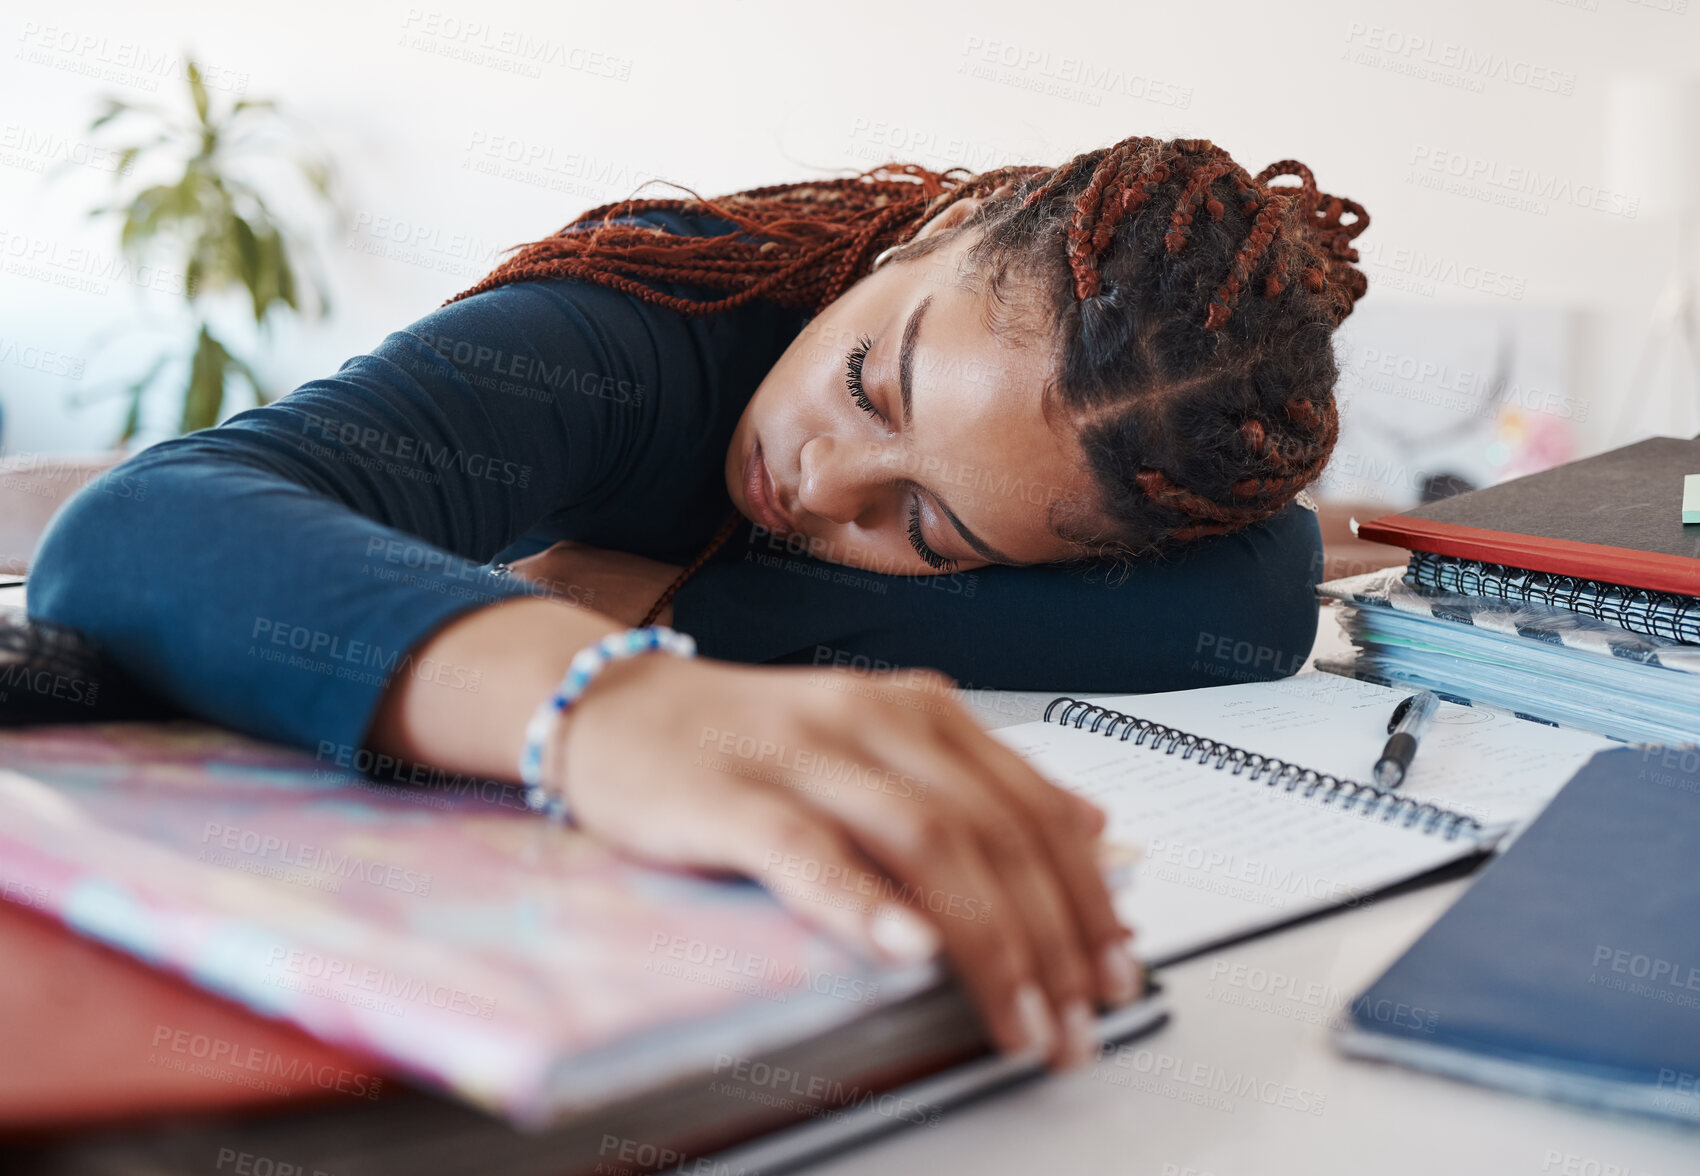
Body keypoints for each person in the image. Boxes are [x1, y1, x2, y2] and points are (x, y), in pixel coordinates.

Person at [26, 135, 1368, 1073]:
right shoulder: (631, 329)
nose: (820, 480)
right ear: (933, 233)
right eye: (866, 387)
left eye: (924, 527)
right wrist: (606, 699)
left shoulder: (1091, 523)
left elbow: (1265, 591)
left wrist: (695, 602)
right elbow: (137, 537)